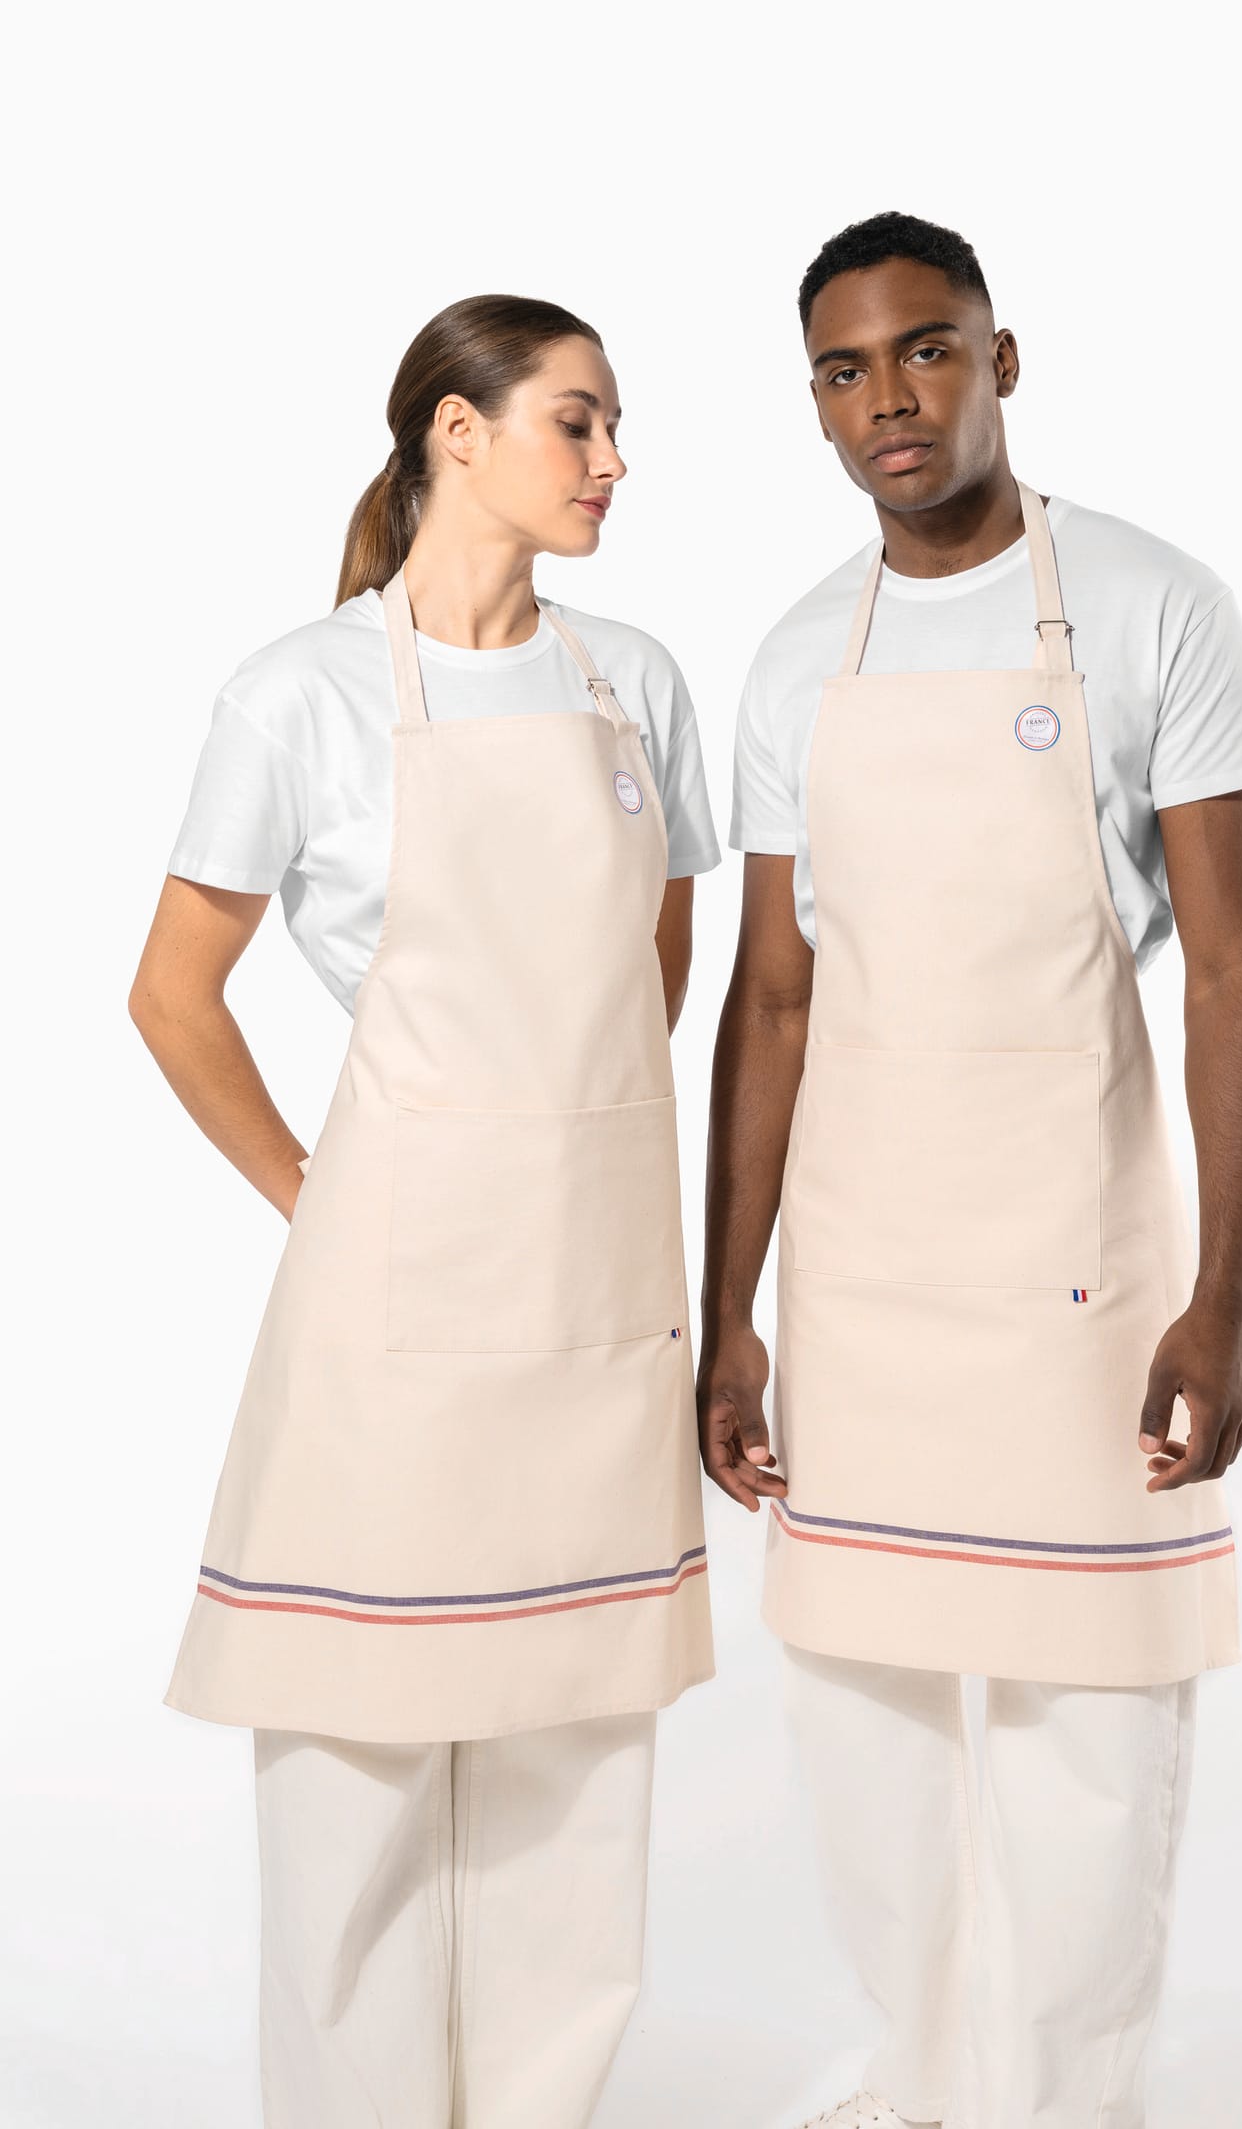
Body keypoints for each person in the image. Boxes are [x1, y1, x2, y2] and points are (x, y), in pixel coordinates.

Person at [698, 213, 1242, 2129]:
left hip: (1079, 1266)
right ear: (814, 404)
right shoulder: (799, 657)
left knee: (1088, 1720)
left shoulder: (1152, 606)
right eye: (846, 369)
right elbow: (772, 999)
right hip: (863, 1271)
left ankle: (1064, 2105)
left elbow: (1235, 972)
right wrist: (727, 1313)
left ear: (1002, 359)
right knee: (866, 1714)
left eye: (928, 348)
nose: (891, 397)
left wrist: (1227, 1294)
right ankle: (924, 2084)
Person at [130, 293, 718, 2129]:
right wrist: (318, 1190)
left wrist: (556, 1148)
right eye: (578, 422)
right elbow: (171, 995)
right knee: (358, 1767)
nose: (615, 460)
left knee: (573, 1762)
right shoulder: (297, 695)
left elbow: (658, 965)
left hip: (596, 1294)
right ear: (457, 434)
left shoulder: (635, 684)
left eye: (612, 426)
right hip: (391, 1306)